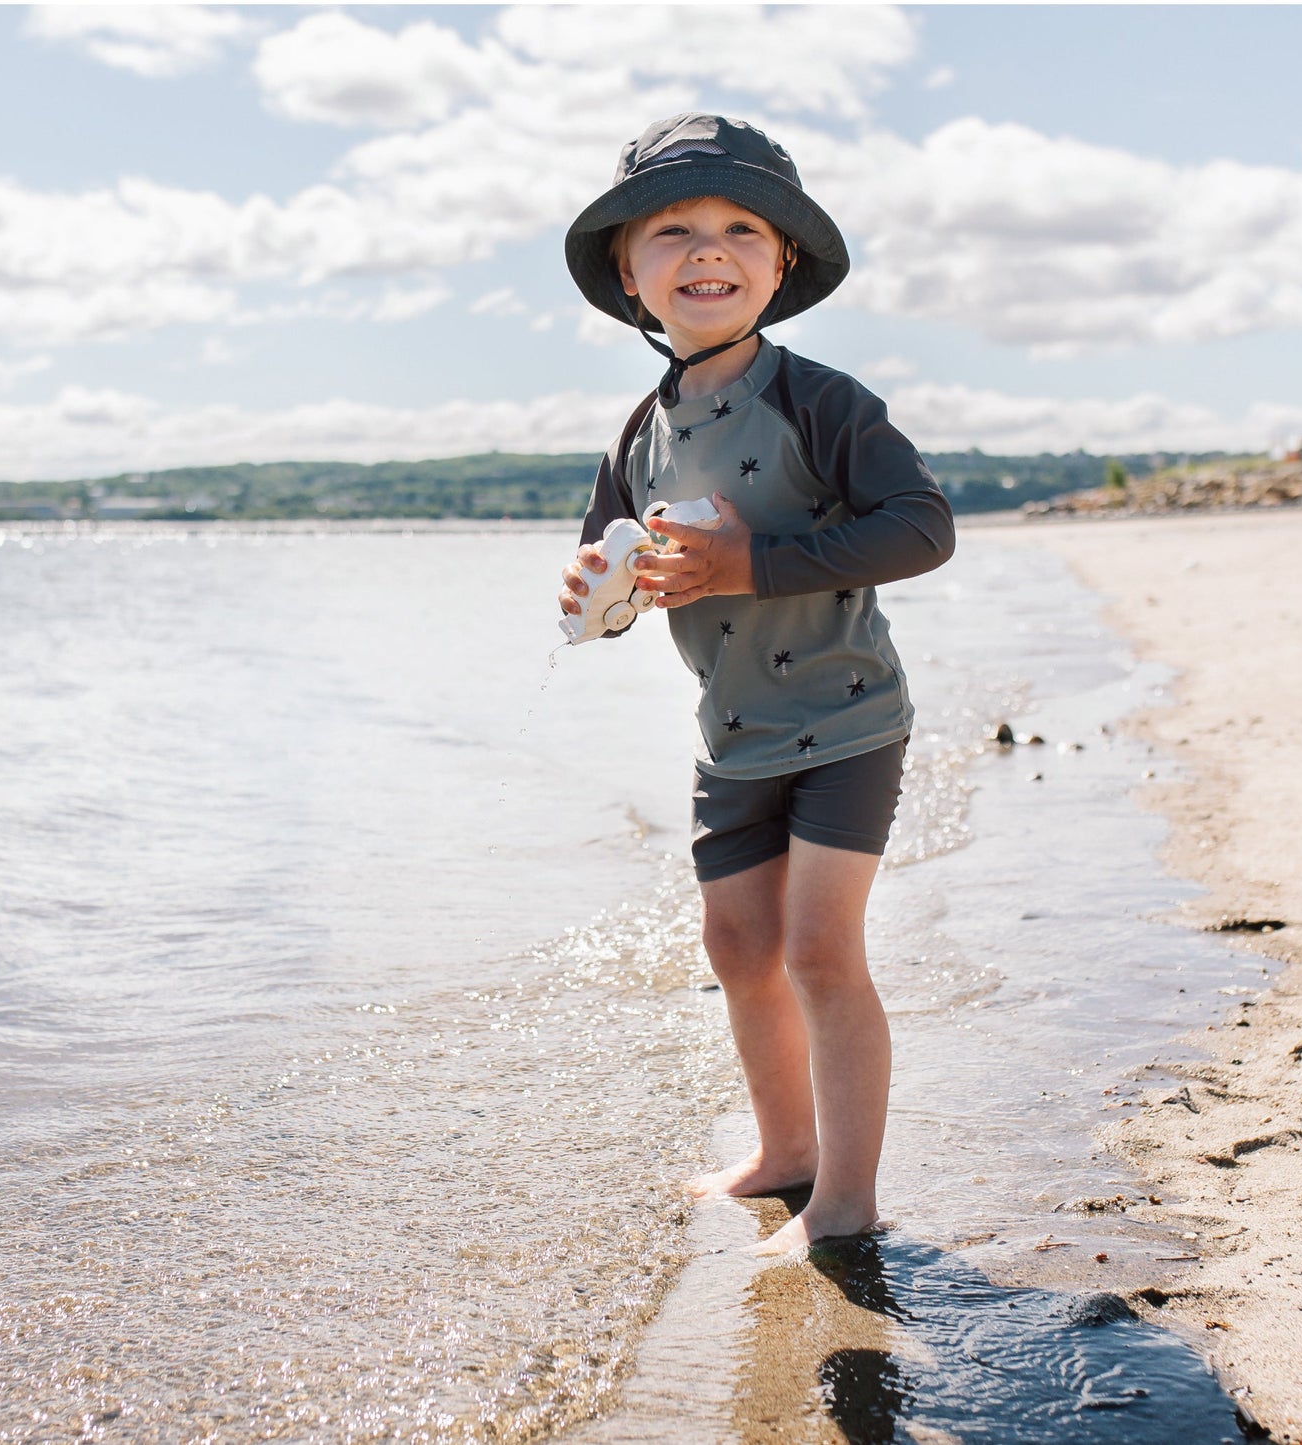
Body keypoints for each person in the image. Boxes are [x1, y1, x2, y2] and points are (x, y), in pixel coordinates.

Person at [558, 114, 956, 1255]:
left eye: (738, 226)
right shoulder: (641, 427)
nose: (705, 249)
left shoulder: (821, 399)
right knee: (737, 946)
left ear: (779, 265)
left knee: (819, 948)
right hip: (727, 733)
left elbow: (921, 528)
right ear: (629, 278)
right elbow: (611, 557)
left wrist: (752, 562)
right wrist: (592, 587)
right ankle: (784, 1151)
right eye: (671, 230)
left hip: (844, 716)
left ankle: (844, 1202)